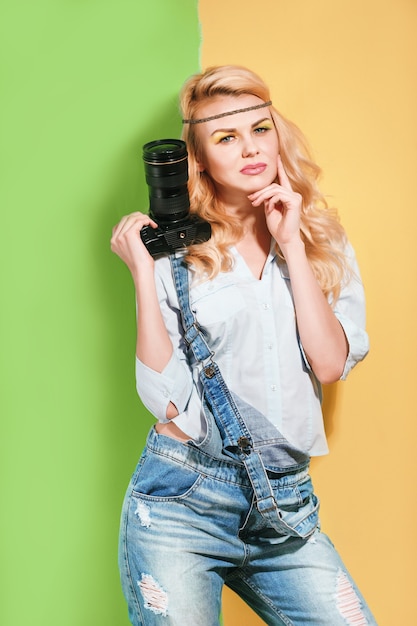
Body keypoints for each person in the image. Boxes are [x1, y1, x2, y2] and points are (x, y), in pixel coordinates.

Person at [111, 65, 377, 626]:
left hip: (286, 508)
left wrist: (292, 247)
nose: (250, 148)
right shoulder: (176, 250)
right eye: (226, 137)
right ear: (198, 159)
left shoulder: (320, 238)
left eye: (261, 129)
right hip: (183, 500)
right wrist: (142, 272)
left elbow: (330, 364)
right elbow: (165, 400)